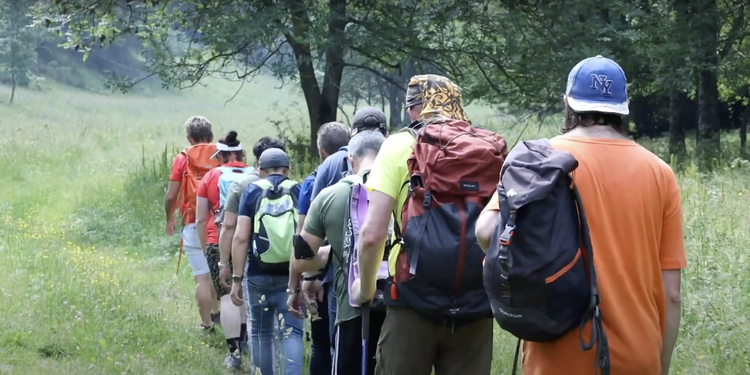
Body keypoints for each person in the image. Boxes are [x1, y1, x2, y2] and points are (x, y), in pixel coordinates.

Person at [475, 55, 686, 375]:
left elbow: (485, 231)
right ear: (623, 109)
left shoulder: (539, 162)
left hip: (555, 357)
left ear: (568, 103)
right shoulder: (661, 173)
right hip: (637, 358)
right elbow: (672, 295)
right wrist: (661, 364)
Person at [357, 75, 496, 375]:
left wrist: (366, 290)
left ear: (414, 109)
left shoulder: (399, 145)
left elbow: (371, 235)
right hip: (476, 301)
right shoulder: (486, 150)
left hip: (411, 300)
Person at [289, 130, 387, 375]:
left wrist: (330, 253)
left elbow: (301, 260)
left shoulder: (330, 195)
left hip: (351, 308)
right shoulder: (402, 192)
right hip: (397, 309)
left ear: (350, 159)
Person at [305, 110, 390, 349]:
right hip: (395, 292)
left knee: (343, 351)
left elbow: (311, 235)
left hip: (343, 281)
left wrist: (311, 276)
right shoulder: (399, 174)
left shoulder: (330, 170)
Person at [230, 148, 304, 375]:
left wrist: (236, 279)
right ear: (287, 170)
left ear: (260, 170)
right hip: (291, 274)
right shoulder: (298, 189)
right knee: (292, 332)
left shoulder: (252, 191)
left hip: (257, 275)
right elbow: (304, 235)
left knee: (261, 332)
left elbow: (241, 236)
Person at [218, 137, 286, 371]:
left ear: (258, 162)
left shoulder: (243, 185)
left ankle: (239, 356)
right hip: (287, 264)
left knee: (258, 323)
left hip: (251, 262)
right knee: (283, 325)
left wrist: (224, 264)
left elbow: (229, 228)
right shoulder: (293, 187)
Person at [296, 122, 350, 375]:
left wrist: (307, 277)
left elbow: (304, 236)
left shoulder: (313, 181)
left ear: (321, 151)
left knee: (323, 344)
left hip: (327, 274)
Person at [195, 131, 251, 369]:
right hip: (248, 239)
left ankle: (234, 352)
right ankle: (247, 339)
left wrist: (205, 245)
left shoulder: (211, 176)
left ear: (221, 156)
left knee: (227, 296)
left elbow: (200, 218)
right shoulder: (255, 174)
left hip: (217, 238)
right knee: (246, 292)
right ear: (240, 154)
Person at [164, 115, 221, 331]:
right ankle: (219, 314)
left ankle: (207, 325)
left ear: (189, 138)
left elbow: (171, 197)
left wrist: (170, 219)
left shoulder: (182, 158)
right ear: (212, 135)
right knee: (219, 269)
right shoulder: (222, 154)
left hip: (192, 224)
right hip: (220, 224)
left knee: (202, 277)